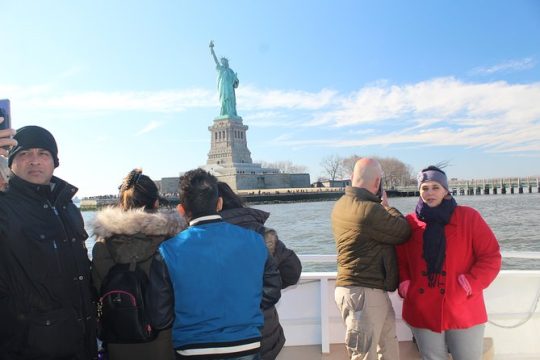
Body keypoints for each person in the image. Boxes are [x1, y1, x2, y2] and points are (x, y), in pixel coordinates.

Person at [147, 168, 282, 359]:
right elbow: (272, 291)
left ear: (181, 209)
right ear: (219, 203)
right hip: (246, 345)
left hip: (192, 347)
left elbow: (160, 317)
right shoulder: (255, 241)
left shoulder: (168, 251)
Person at [0, 125, 97, 359]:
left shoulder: (67, 206)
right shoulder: (4, 206)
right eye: (24, 154)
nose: (34, 161)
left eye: (43, 153)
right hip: (27, 347)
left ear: (55, 161)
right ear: (10, 163)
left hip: (82, 342)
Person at [396, 166, 501, 360]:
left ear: (445, 190)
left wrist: (470, 284)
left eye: (435, 187)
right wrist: (405, 285)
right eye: (424, 188)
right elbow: (400, 260)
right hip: (422, 306)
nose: (429, 193)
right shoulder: (409, 222)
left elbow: (491, 256)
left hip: (463, 304)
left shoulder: (469, 217)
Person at [91, 168, 186, 360]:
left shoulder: (103, 246)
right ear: (156, 202)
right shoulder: (173, 242)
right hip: (166, 337)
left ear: (122, 203)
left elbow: (97, 290)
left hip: (120, 336)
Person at [331, 157, 411, 360]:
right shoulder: (370, 210)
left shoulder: (342, 204)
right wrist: (387, 206)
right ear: (377, 183)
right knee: (366, 353)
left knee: (387, 345)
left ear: (351, 178)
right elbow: (403, 231)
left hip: (363, 290)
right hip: (364, 293)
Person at [217, 181, 302, 360]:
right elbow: (292, 271)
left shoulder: (194, 239)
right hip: (262, 330)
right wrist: (266, 286)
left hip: (214, 335)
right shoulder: (261, 234)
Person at [210, 40, 239, 117]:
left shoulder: (230, 71)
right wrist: (212, 50)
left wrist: (236, 79)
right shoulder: (221, 68)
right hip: (223, 88)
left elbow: (235, 84)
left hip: (230, 89)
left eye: (225, 62)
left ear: (227, 62)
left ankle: (231, 113)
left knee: (231, 100)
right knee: (224, 100)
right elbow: (216, 61)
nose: (224, 63)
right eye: (223, 62)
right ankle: (224, 113)